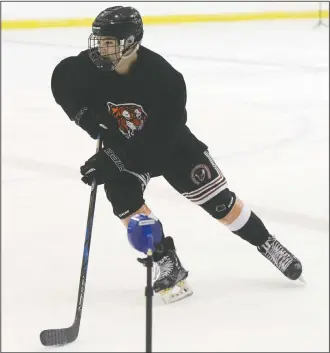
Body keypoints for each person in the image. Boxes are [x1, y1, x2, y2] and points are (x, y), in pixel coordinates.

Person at [51, 6, 303, 304]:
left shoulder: (163, 77)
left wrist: (115, 159)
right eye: (100, 40)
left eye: (110, 41)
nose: (101, 48)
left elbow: (162, 136)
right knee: (122, 197)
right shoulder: (86, 67)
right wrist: (88, 121)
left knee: (221, 204)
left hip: (169, 146)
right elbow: (62, 81)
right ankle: (166, 259)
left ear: (132, 41)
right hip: (123, 144)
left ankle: (267, 243)